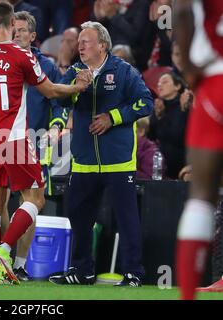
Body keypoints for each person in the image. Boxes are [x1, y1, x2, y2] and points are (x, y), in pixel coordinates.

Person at [0, 1, 91, 285]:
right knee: (36, 199)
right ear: (11, 24)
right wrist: (77, 87)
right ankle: (4, 251)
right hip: (14, 137)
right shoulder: (21, 54)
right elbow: (49, 91)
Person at [49, 21, 153, 287]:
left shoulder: (123, 71)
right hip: (83, 161)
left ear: (102, 45)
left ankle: (134, 274)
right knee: (78, 215)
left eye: (86, 41)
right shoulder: (74, 71)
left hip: (118, 161)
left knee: (126, 217)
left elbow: (145, 102)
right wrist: (75, 88)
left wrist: (113, 117)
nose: (79, 46)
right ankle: (82, 270)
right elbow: (57, 100)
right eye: (79, 41)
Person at [174, 0, 223, 300]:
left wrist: (190, 68)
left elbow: (180, 11)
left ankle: (188, 296)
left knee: (202, 198)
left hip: (215, 82)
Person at [148, 72, 189, 179]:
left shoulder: (184, 104)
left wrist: (184, 111)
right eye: (159, 83)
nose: (160, 85)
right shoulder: (159, 106)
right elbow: (151, 137)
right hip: (161, 166)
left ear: (177, 86)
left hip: (182, 165)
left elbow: (178, 136)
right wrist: (157, 116)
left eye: (165, 82)